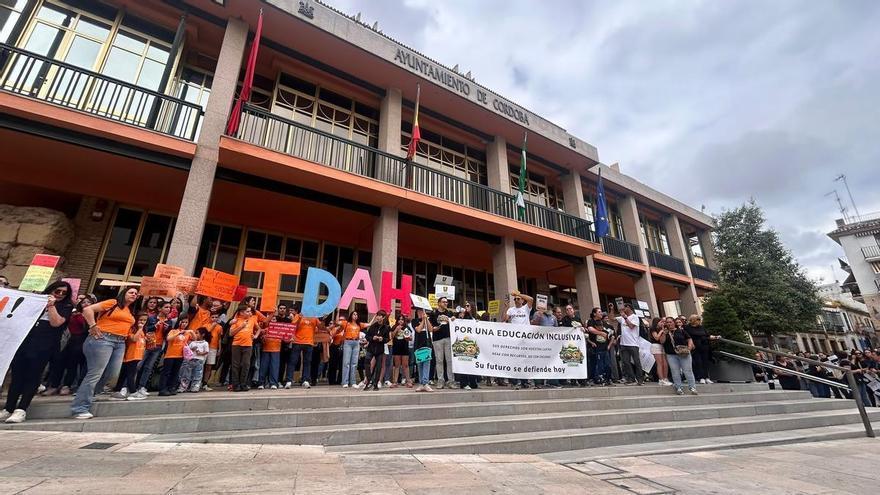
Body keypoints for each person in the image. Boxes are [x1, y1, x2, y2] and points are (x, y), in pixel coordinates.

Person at [2, 281, 74, 424]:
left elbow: (56, 322)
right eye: (57, 291)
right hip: (24, 342)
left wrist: (51, 306)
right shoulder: (37, 301)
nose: (60, 294)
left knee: (33, 376)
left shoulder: (66, 306)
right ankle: (9, 408)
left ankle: (21, 409)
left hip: (44, 346)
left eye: (64, 293)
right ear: (51, 290)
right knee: (17, 376)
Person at [71, 286, 140, 420]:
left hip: (120, 342)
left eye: (136, 293)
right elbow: (87, 309)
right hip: (103, 339)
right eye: (131, 292)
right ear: (124, 293)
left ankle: (91, 394)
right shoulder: (113, 303)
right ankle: (80, 407)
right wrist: (92, 325)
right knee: (95, 373)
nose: (134, 295)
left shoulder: (129, 310)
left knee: (112, 373)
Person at [45, 293, 95, 396]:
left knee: (72, 364)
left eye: (88, 302)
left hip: (80, 341)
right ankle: (54, 385)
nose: (86, 304)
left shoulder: (94, 315)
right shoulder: (73, 312)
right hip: (67, 339)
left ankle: (66, 385)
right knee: (59, 363)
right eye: (84, 302)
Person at [135, 300, 173, 396]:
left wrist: (166, 329)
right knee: (138, 365)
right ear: (160, 308)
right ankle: (129, 385)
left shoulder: (169, 321)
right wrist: (155, 326)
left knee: (149, 367)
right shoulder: (152, 318)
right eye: (166, 307)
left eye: (169, 308)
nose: (168, 309)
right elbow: (145, 329)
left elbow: (167, 335)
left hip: (158, 346)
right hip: (147, 344)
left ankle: (141, 387)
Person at [111, 313, 148, 400]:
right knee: (131, 374)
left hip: (137, 354)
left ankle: (117, 391)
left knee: (124, 374)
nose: (142, 322)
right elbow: (134, 339)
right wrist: (140, 329)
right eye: (140, 320)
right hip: (131, 355)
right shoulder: (132, 329)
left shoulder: (142, 330)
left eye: (144, 320)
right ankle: (133, 392)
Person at [503, 290, 533, 389]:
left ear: (522, 300)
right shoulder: (511, 310)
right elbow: (504, 319)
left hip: (525, 339)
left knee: (524, 360)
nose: (516, 300)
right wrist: (506, 307)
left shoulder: (526, 308)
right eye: (515, 299)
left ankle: (524, 381)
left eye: (518, 299)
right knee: (515, 360)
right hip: (515, 339)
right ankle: (514, 381)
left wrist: (518, 294)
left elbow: (531, 299)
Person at [158, 316, 192, 396]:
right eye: (183, 322)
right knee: (166, 372)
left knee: (175, 372)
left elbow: (194, 338)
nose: (184, 324)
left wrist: (191, 332)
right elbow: (168, 338)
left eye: (186, 322)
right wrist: (178, 333)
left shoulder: (186, 333)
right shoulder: (173, 331)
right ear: (179, 322)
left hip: (180, 355)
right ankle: (162, 389)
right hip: (170, 355)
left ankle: (171, 387)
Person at [610, 303, 643, 385]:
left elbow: (631, 326)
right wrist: (612, 309)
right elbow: (612, 318)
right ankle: (631, 379)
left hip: (633, 343)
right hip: (623, 343)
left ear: (629, 307)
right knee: (626, 362)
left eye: (624, 307)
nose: (622, 309)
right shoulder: (621, 317)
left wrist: (625, 317)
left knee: (637, 362)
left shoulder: (635, 317)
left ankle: (640, 380)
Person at [662, 319, 697, 395]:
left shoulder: (681, 330)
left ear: (674, 323)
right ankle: (679, 387)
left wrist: (689, 348)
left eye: (670, 322)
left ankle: (692, 387)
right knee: (675, 371)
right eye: (667, 322)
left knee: (688, 371)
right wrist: (664, 333)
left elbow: (689, 339)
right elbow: (662, 341)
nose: (669, 323)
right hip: (671, 354)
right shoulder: (665, 332)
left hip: (683, 353)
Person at [228, 306, 258, 392]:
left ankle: (243, 384)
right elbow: (231, 333)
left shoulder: (252, 319)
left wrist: (255, 336)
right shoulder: (236, 320)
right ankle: (235, 385)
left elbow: (259, 329)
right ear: (241, 313)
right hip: (236, 345)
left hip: (248, 345)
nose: (250, 313)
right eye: (247, 311)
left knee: (246, 364)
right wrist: (241, 326)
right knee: (235, 365)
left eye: (250, 311)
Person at [288, 309, 319, 389]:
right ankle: (289, 380)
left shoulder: (314, 317)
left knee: (307, 362)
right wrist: (299, 318)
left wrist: (323, 318)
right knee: (293, 361)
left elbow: (320, 327)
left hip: (309, 342)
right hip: (297, 342)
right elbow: (293, 326)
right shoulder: (298, 315)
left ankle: (305, 380)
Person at [430, 297, 456, 389]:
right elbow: (430, 326)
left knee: (449, 361)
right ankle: (440, 381)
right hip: (437, 339)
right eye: (443, 302)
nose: (446, 303)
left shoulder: (450, 313)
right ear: (439, 303)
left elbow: (454, 324)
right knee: (439, 361)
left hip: (448, 338)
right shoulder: (433, 313)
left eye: (446, 302)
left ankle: (451, 381)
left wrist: (454, 319)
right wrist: (433, 328)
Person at [259, 304, 287, 390]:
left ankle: (273, 383)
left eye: (274, 319)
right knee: (263, 367)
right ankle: (261, 383)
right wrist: (273, 313)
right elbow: (264, 323)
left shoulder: (280, 329)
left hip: (276, 350)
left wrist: (290, 339)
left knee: (274, 367)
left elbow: (286, 339)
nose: (273, 320)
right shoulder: (265, 328)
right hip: (266, 349)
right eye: (272, 319)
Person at [363, 310, 390, 391]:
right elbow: (367, 336)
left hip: (380, 349)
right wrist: (372, 338)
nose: (378, 317)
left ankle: (376, 383)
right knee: (367, 363)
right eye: (377, 315)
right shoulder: (373, 326)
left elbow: (388, 339)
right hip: (371, 348)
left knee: (379, 367)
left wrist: (382, 339)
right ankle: (369, 380)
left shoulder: (386, 327)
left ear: (383, 317)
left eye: (380, 316)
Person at [178, 327, 210, 392]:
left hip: (199, 360)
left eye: (197, 333)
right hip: (190, 360)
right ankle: (183, 387)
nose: (195, 334)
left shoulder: (205, 343)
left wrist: (200, 353)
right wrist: (192, 349)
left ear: (203, 334)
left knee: (197, 374)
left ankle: (195, 387)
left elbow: (206, 351)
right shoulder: (193, 342)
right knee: (186, 374)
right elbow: (188, 350)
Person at [585, 308, 611, 386]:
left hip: (604, 348)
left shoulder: (603, 322)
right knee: (595, 364)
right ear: (594, 314)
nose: (601, 313)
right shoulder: (591, 321)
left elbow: (609, 333)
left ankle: (607, 379)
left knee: (607, 364)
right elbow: (590, 329)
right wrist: (601, 333)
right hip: (594, 348)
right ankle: (594, 379)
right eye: (599, 312)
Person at [411, 307, 435, 392]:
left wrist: (426, 320)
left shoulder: (427, 320)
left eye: (422, 310)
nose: (421, 312)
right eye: (420, 311)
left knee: (426, 364)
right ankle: (421, 383)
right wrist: (422, 321)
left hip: (427, 345)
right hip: (418, 345)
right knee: (420, 365)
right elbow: (418, 329)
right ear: (417, 312)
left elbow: (431, 329)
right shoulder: (414, 321)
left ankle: (425, 383)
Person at [458, 302, 479, 390]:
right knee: (464, 362)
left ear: (472, 307)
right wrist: (460, 317)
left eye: (467, 306)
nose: (466, 307)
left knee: (471, 363)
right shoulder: (463, 316)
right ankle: (464, 383)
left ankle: (473, 382)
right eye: (465, 306)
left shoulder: (474, 318)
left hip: (472, 343)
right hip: (464, 342)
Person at [686, 314, 713, 384]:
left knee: (705, 362)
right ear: (693, 320)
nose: (699, 321)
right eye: (697, 319)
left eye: (699, 319)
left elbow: (707, 335)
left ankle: (707, 377)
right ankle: (701, 377)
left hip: (704, 346)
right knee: (698, 362)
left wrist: (713, 337)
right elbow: (688, 337)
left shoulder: (701, 327)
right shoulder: (688, 327)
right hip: (695, 347)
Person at [202, 311, 224, 390]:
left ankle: (205, 383)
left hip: (213, 348)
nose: (214, 319)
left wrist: (219, 349)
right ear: (210, 318)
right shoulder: (205, 325)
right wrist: (212, 326)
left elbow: (219, 339)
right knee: (201, 365)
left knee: (209, 366)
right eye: (212, 317)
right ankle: (197, 382)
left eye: (216, 317)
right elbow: (205, 334)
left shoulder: (219, 327)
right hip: (204, 347)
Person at [390, 314, 413, 388]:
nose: (401, 321)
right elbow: (391, 336)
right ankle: (395, 382)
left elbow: (410, 338)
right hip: (396, 347)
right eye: (399, 319)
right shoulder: (394, 327)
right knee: (397, 365)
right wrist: (396, 329)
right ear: (397, 320)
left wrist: (407, 337)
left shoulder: (406, 327)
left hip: (404, 347)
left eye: (402, 319)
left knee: (405, 365)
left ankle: (408, 381)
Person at [650, 319, 671, 385]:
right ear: (657, 322)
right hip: (655, 345)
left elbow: (663, 340)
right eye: (661, 322)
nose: (663, 323)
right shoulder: (653, 329)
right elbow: (656, 338)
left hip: (662, 346)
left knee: (665, 363)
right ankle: (661, 379)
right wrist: (661, 331)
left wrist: (663, 332)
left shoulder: (662, 329)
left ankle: (665, 378)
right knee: (660, 363)